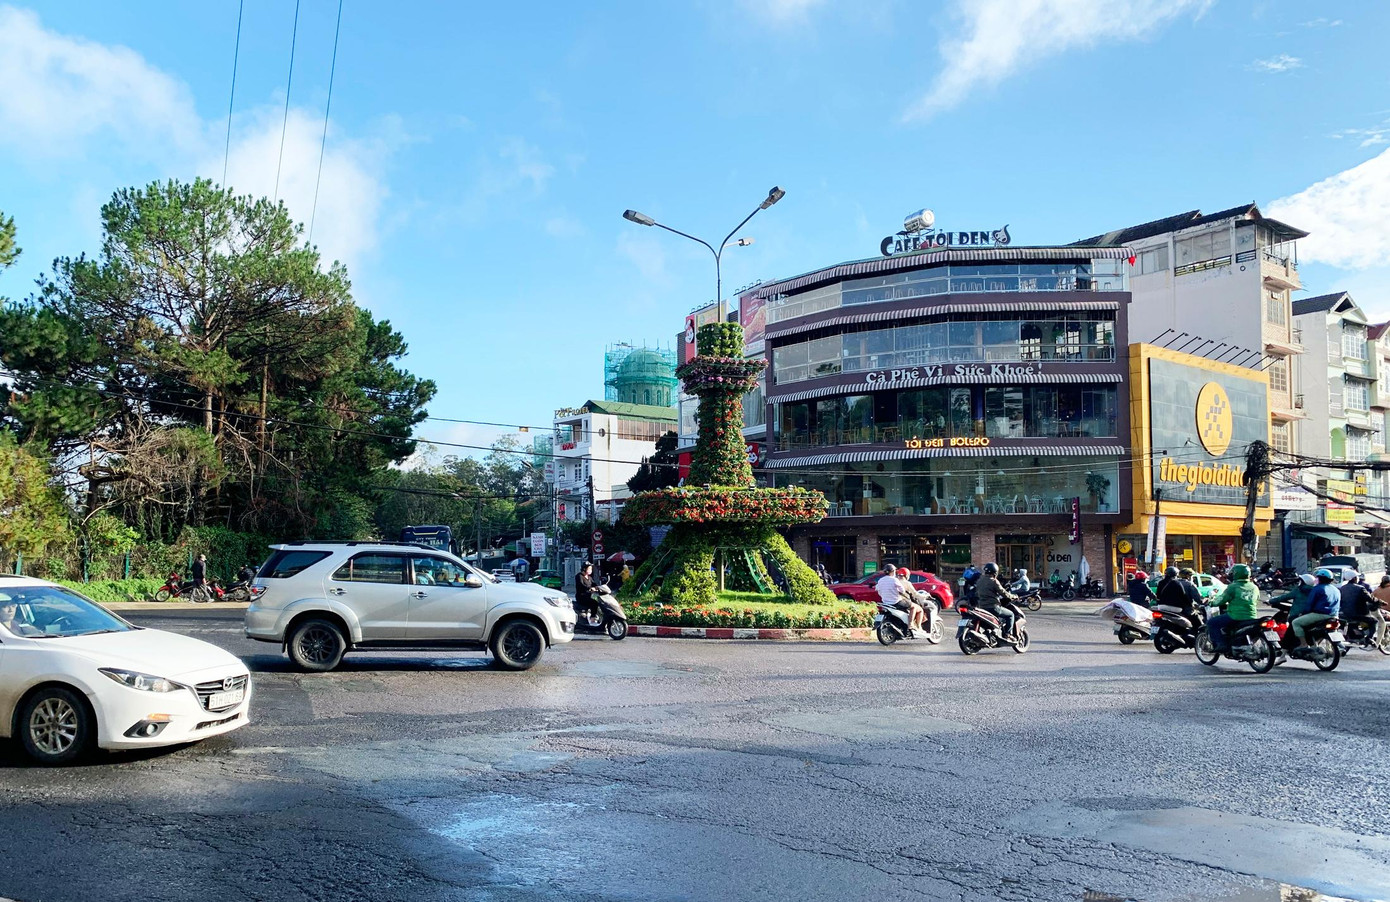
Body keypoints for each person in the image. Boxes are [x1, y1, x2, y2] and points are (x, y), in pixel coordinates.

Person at [1206, 563, 1261, 654]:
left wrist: (1212, 602)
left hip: (1235, 616)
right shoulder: (1254, 587)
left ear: (1236, 573)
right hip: (1252, 616)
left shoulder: (1233, 586)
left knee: (1212, 623)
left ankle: (1221, 644)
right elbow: (1256, 600)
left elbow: (1222, 599)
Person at [1291, 568, 1341, 650]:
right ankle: (1315, 644)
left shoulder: (1317, 589)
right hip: (1334, 616)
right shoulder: (1336, 589)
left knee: (1295, 622)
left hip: (1320, 615)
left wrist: (1303, 613)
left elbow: (1310, 604)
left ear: (1320, 578)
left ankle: (1303, 644)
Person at [876, 563, 924, 636]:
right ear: (892, 571)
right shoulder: (894, 580)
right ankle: (911, 625)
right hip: (896, 602)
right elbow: (902, 591)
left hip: (885, 602)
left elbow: (878, 591)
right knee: (914, 607)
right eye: (894, 571)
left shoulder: (880, 580)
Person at [975, 562, 1018, 639]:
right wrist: (1013, 596)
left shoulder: (979, 581)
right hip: (993, 607)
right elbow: (1004, 593)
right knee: (1011, 615)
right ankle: (1007, 634)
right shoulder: (994, 581)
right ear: (995, 572)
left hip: (981, 607)